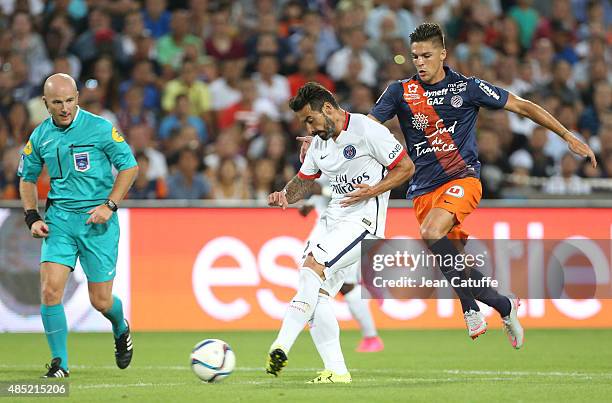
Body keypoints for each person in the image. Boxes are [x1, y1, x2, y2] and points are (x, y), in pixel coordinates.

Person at [300, 23, 597, 348]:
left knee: (431, 233)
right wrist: (322, 141)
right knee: (455, 261)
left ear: (443, 53)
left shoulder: (467, 88)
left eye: (427, 55)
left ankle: (469, 308)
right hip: (423, 191)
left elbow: (523, 106)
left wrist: (568, 135)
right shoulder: (400, 91)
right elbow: (363, 129)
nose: (421, 63)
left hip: (462, 179)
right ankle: (503, 305)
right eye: (415, 57)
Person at [266, 82, 414, 383]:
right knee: (315, 291)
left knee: (312, 267)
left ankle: (281, 344)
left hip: (364, 223)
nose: (309, 127)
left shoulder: (367, 130)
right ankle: (337, 370)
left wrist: (372, 190)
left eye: (311, 119)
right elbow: (303, 181)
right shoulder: (319, 144)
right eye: (304, 122)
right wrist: (283, 195)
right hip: (333, 220)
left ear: (329, 109)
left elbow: (405, 168)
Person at [17, 73, 139, 377]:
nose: (64, 108)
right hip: (59, 221)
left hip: (97, 223)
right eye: (57, 102)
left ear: (77, 99)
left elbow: (129, 167)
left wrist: (110, 205)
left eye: (69, 100)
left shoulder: (99, 128)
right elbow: (27, 178)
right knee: (50, 291)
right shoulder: (40, 136)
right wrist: (32, 216)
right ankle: (61, 363)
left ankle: (120, 326)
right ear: (45, 103)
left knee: (100, 301)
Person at [299, 177, 384, 352]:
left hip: (347, 232)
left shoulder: (345, 165)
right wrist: (310, 203)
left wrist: (320, 192)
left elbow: (345, 192)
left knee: (345, 286)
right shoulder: (323, 166)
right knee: (312, 277)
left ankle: (371, 337)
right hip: (324, 234)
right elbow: (320, 193)